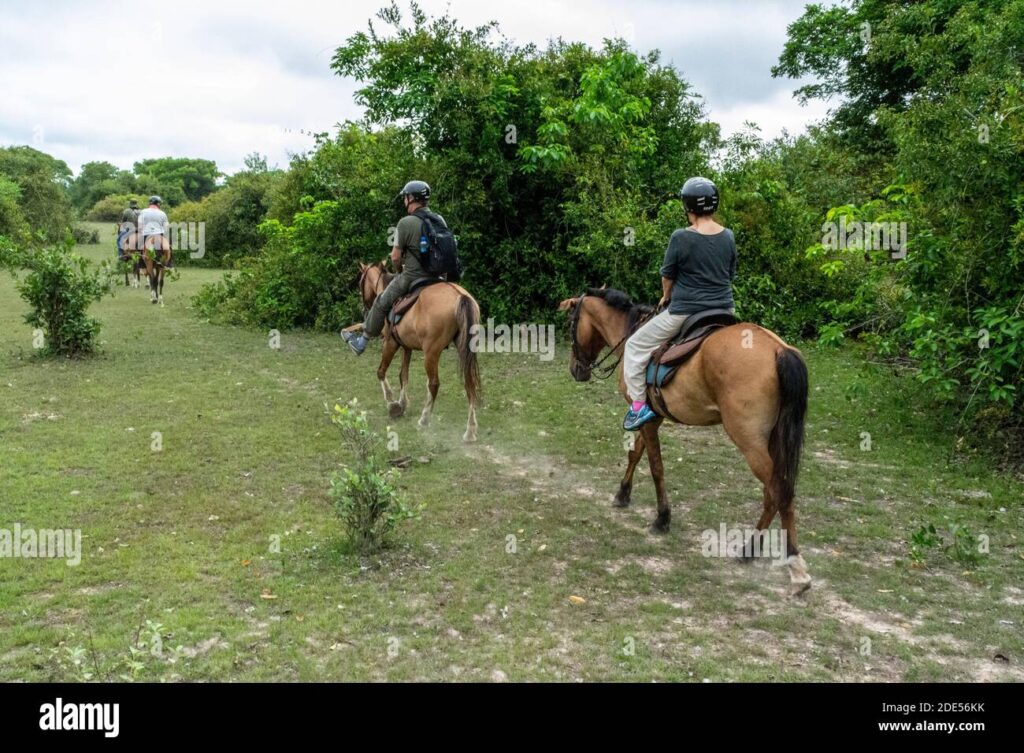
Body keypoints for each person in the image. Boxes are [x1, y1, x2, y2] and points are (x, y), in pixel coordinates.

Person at [622, 177, 737, 430]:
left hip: (686, 311)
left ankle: (639, 408)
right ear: (713, 206)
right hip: (725, 311)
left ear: (688, 207)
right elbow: (730, 275)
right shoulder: (728, 236)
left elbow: (668, 275)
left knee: (634, 346)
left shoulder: (680, 237)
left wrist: (666, 296)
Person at [342, 180, 445, 355]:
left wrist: (399, 270)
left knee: (381, 301)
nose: (405, 200)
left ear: (412, 198)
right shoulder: (439, 219)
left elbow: (395, 257)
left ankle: (362, 341)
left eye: (406, 197)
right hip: (439, 276)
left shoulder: (405, 223)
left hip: (413, 276)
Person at [137, 195, 173, 269]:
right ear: (158, 204)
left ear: (150, 203)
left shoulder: (143, 212)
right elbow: (166, 227)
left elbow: (140, 225)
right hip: (159, 233)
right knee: (169, 246)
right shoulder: (163, 213)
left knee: (139, 247)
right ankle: (169, 262)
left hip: (147, 234)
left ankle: (141, 262)